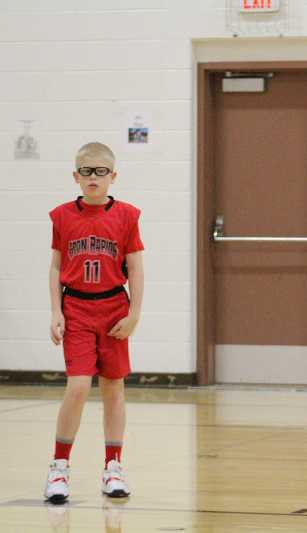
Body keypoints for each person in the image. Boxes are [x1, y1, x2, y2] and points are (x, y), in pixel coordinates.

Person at [45, 142, 144, 503]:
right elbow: (55, 267)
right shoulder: (62, 216)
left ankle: (113, 467)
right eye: (86, 171)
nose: (93, 177)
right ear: (76, 176)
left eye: (101, 171)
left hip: (114, 308)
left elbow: (136, 268)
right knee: (78, 385)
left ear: (113, 176)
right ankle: (59, 467)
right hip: (77, 308)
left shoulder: (127, 216)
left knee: (114, 387)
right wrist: (56, 311)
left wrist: (134, 314)